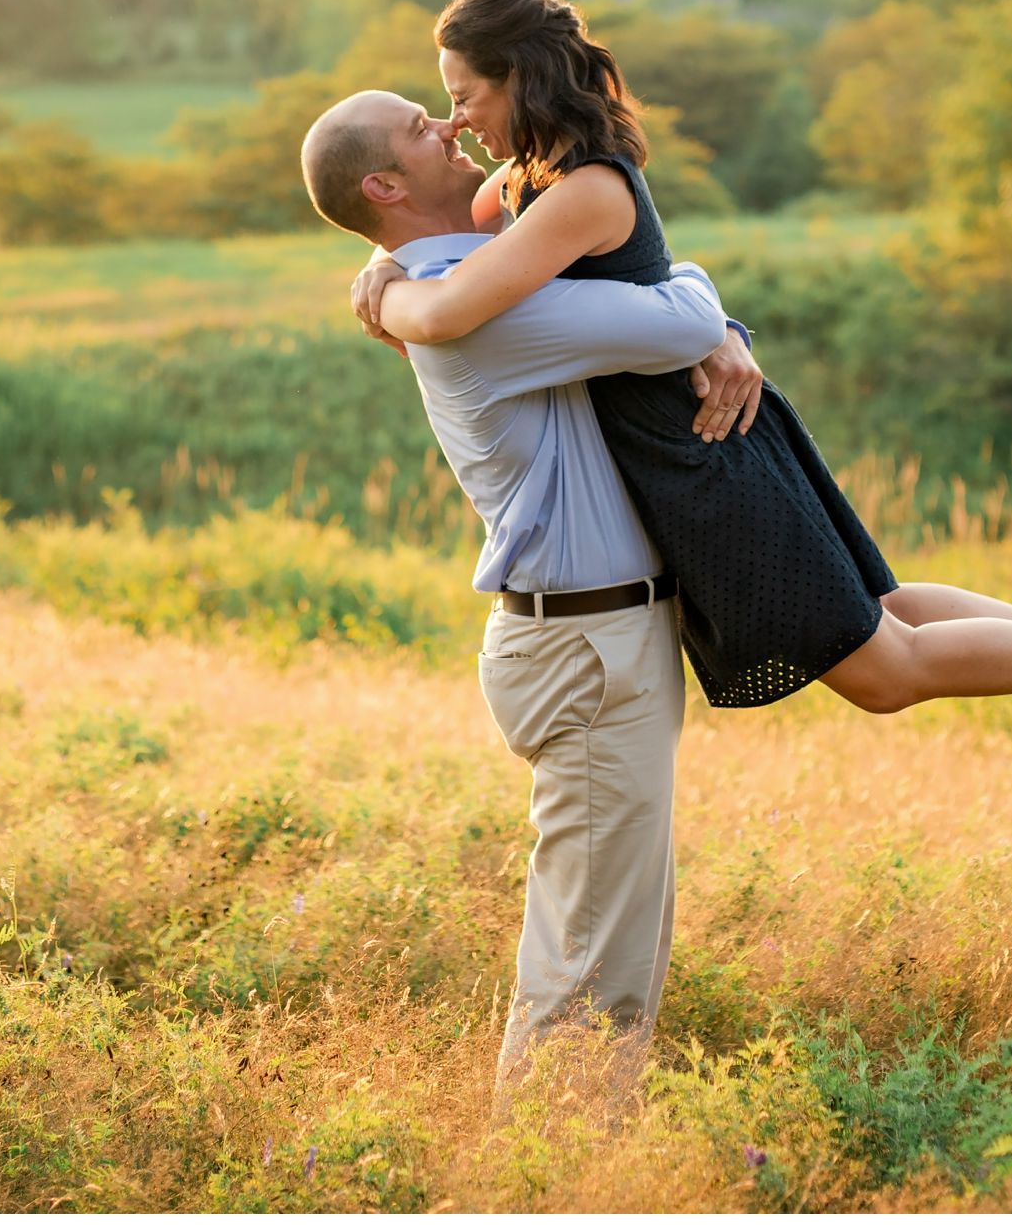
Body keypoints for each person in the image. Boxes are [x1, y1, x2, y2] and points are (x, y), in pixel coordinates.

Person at [347, 0, 1012, 730]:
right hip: (691, 437)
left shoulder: (582, 188)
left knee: (882, 673)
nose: (459, 121)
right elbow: (454, 251)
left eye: (465, 96)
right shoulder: (523, 182)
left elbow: (457, 304)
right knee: (884, 615)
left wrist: (386, 292)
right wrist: (380, 262)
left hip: (694, 446)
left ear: (522, 78)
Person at [298, 85, 753, 1091]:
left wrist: (378, 267)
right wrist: (714, 320)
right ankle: (550, 1178)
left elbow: (524, 210)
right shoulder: (481, 311)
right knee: (588, 962)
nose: (450, 126)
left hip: (589, 641)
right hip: (585, 649)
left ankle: (587, 1162)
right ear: (384, 184)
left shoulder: (458, 280)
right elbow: (678, 315)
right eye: (423, 127)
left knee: (611, 942)